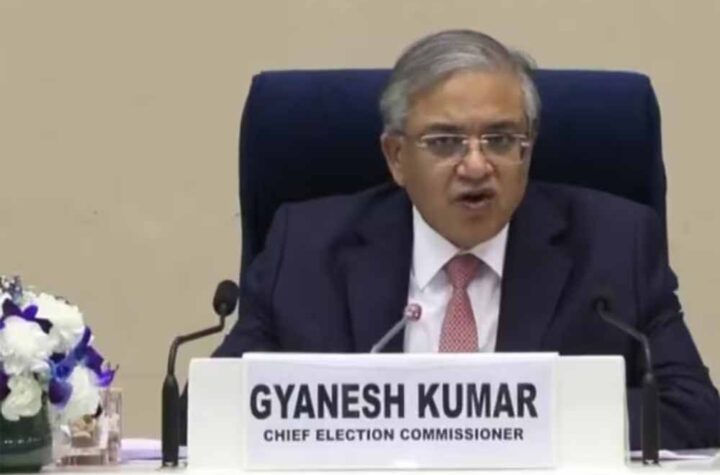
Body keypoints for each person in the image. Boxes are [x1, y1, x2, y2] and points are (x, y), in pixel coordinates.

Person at [212, 30, 720, 449]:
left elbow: (693, 413)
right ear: (396, 157)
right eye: (445, 142)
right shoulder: (305, 249)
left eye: (500, 140)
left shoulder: (615, 245)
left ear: (527, 150)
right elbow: (213, 411)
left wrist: (497, 421)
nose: (476, 166)